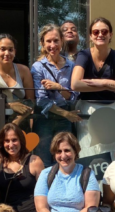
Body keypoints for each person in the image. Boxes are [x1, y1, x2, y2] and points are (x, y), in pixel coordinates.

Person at [71, 17, 115, 149]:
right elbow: (75, 84)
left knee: (109, 149)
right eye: (96, 32)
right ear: (90, 36)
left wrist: (104, 83)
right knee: (87, 149)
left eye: (104, 32)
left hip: (110, 110)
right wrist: (112, 86)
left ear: (110, 34)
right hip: (87, 110)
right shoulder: (84, 55)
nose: (100, 35)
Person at [31, 24, 81, 166]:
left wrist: (58, 87)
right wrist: (66, 114)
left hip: (65, 121)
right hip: (44, 120)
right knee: (44, 161)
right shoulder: (38, 67)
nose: (52, 45)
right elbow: (41, 100)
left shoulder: (71, 66)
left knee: (65, 160)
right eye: (48, 41)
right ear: (42, 43)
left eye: (56, 40)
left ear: (62, 41)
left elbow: (73, 95)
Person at [0, 33, 36, 127]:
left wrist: (16, 122)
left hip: (21, 123)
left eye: (10, 50)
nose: (7, 53)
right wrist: (8, 105)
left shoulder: (24, 71)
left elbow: (31, 102)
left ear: (15, 51)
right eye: (3, 49)